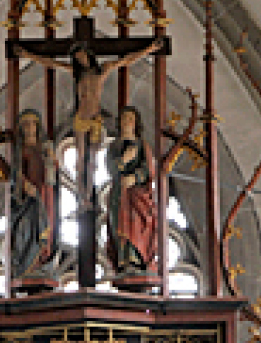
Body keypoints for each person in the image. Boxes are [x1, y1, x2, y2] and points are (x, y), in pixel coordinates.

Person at [14, 38, 160, 199]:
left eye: (81, 55)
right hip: (81, 119)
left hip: (96, 119)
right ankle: (82, 195)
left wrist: (149, 49)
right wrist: (28, 55)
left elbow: (126, 60)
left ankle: (90, 195)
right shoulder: (77, 74)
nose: (80, 59)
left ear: (88, 54)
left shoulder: (103, 70)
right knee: (81, 158)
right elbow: (51, 63)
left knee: (92, 159)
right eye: (76, 57)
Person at [105, 106, 158, 275]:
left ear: (136, 123)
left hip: (137, 193)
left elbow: (149, 169)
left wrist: (135, 178)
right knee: (119, 224)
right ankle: (123, 260)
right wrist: (124, 159)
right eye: (124, 118)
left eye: (130, 119)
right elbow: (111, 168)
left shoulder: (142, 145)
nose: (127, 122)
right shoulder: (114, 146)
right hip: (119, 192)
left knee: (135, 223)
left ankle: (136, 259)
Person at [10, 109, 57, 283]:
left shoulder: (44, 148)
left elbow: (52, 175)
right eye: (26, 125)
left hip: (44, 194)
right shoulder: (19, 150)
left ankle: (42, 263)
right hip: (26, 198)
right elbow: (16, 172)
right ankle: (27, 265)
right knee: (26, 228)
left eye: (33, 124)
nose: (30, 128)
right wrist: (24, 184)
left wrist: (51, 160)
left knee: (46, 228)